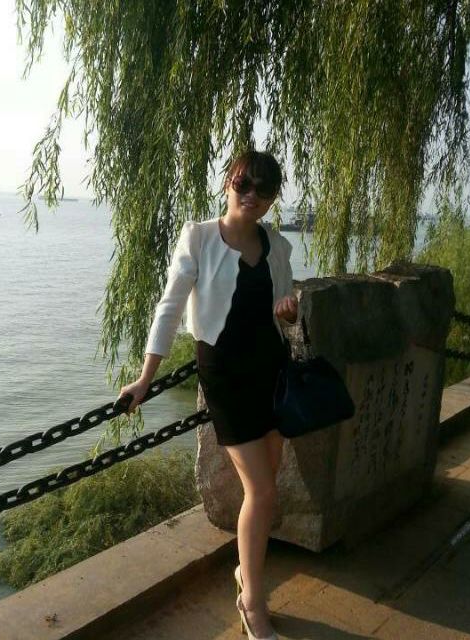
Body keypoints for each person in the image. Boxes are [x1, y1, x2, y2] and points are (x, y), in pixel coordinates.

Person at [117, 149, 298, 639]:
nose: (252, 196)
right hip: (225, 375)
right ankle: (252, 603)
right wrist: (145, 378)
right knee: (262, 491)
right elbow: (170, 307)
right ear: (228, 183)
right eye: (244, 184)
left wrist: (289, 309)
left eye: (264, 189)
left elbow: (283, 307)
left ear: (273, 198)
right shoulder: (198, 237)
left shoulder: (278, 245)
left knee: (267, 487)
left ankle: (245, 571)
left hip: (271, 369)